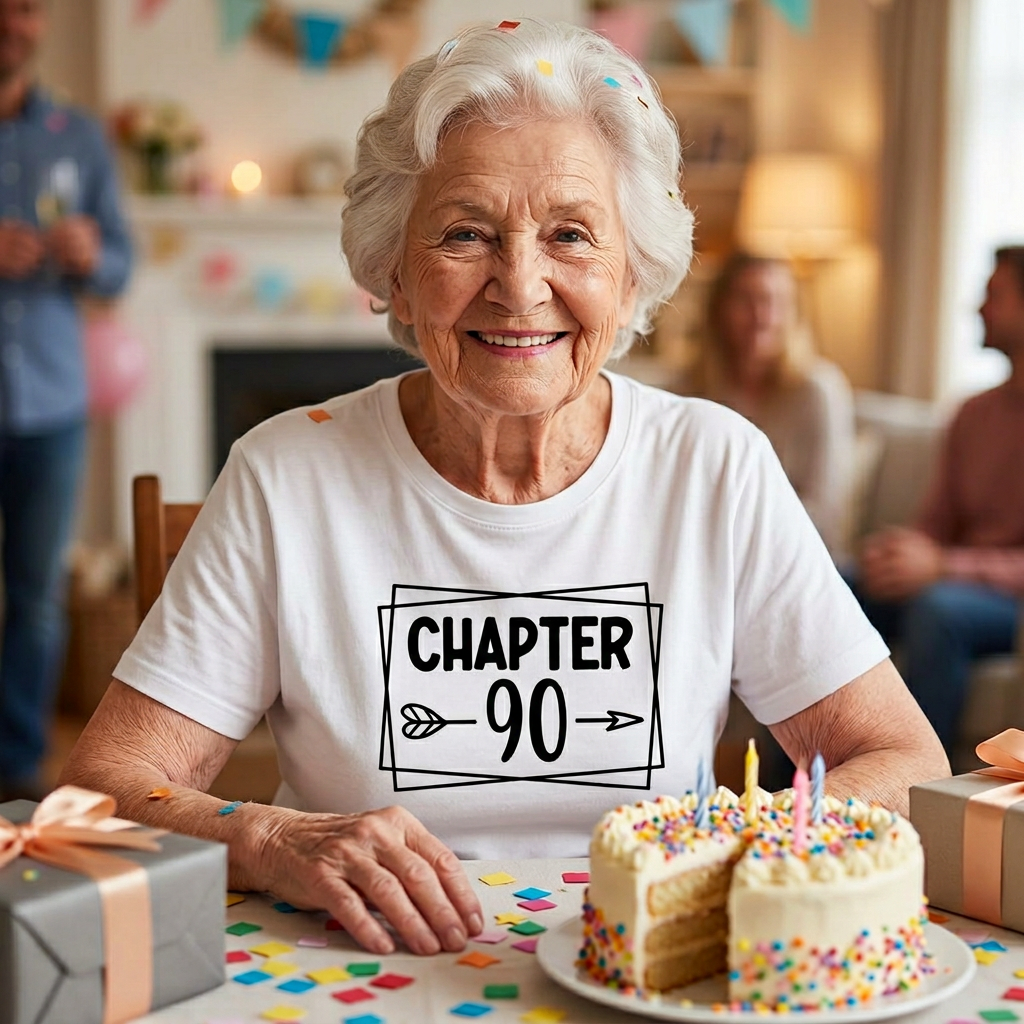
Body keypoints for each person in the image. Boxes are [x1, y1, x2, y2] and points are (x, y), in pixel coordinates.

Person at [60, 20, 947, 959]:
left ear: (633, 272)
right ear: (394, 273)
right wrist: (274, 840)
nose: (520, 287)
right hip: (359, 962)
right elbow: (107, 785)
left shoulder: (714, 465)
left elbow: (902, 760)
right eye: (465, 234)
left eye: (571, 234)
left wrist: (735, 852)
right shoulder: (287, 473)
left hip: (654, 967)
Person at [0, 0, 132, 800]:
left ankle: (15, 768)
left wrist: (93, 255)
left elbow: (119, 267)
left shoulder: (79, 137)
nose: (13, 22)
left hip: (52, 403)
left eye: (27, 8)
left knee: (38, 597)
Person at [852, 246, 1024, 753]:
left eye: (995, 296)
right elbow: (933, 521)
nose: (979, 308)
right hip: (952, 580)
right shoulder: (972, 413)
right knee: (836, 582)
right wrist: (900, 552)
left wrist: (942, 566)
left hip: (1004, 602)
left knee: (937, 611)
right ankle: (786, 795)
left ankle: (919, 796)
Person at [680, 252, 856, 558]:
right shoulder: (687, 389)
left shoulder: (818, 391)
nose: (762, 316)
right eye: (746, 300)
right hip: (702, 554)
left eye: (776, 302)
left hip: (796, 559)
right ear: (719, 310)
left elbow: (824, 513)